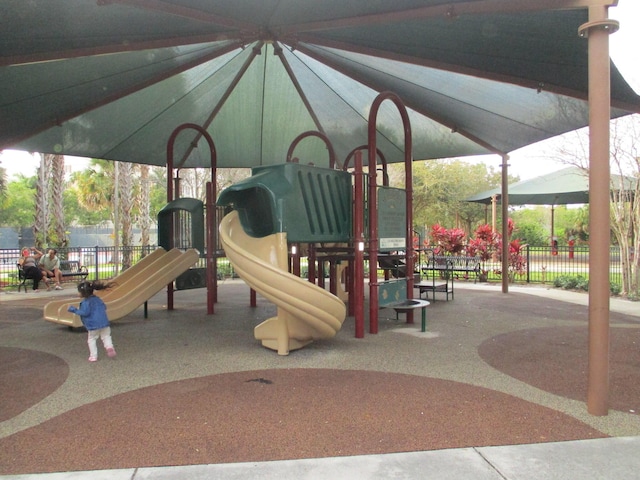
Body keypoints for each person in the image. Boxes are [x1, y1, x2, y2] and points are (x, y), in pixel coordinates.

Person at [67, 280, 117, 362]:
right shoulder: (98, 299)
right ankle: (109, 347)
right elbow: (104, 307)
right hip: (104, 323)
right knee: (106, 336)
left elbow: (85, 313)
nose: (78, 293)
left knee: (92, 339)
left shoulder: (85, 302)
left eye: (79, 292)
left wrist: (73, 310)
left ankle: (93, 356)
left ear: (83, 293)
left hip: (93, 325)